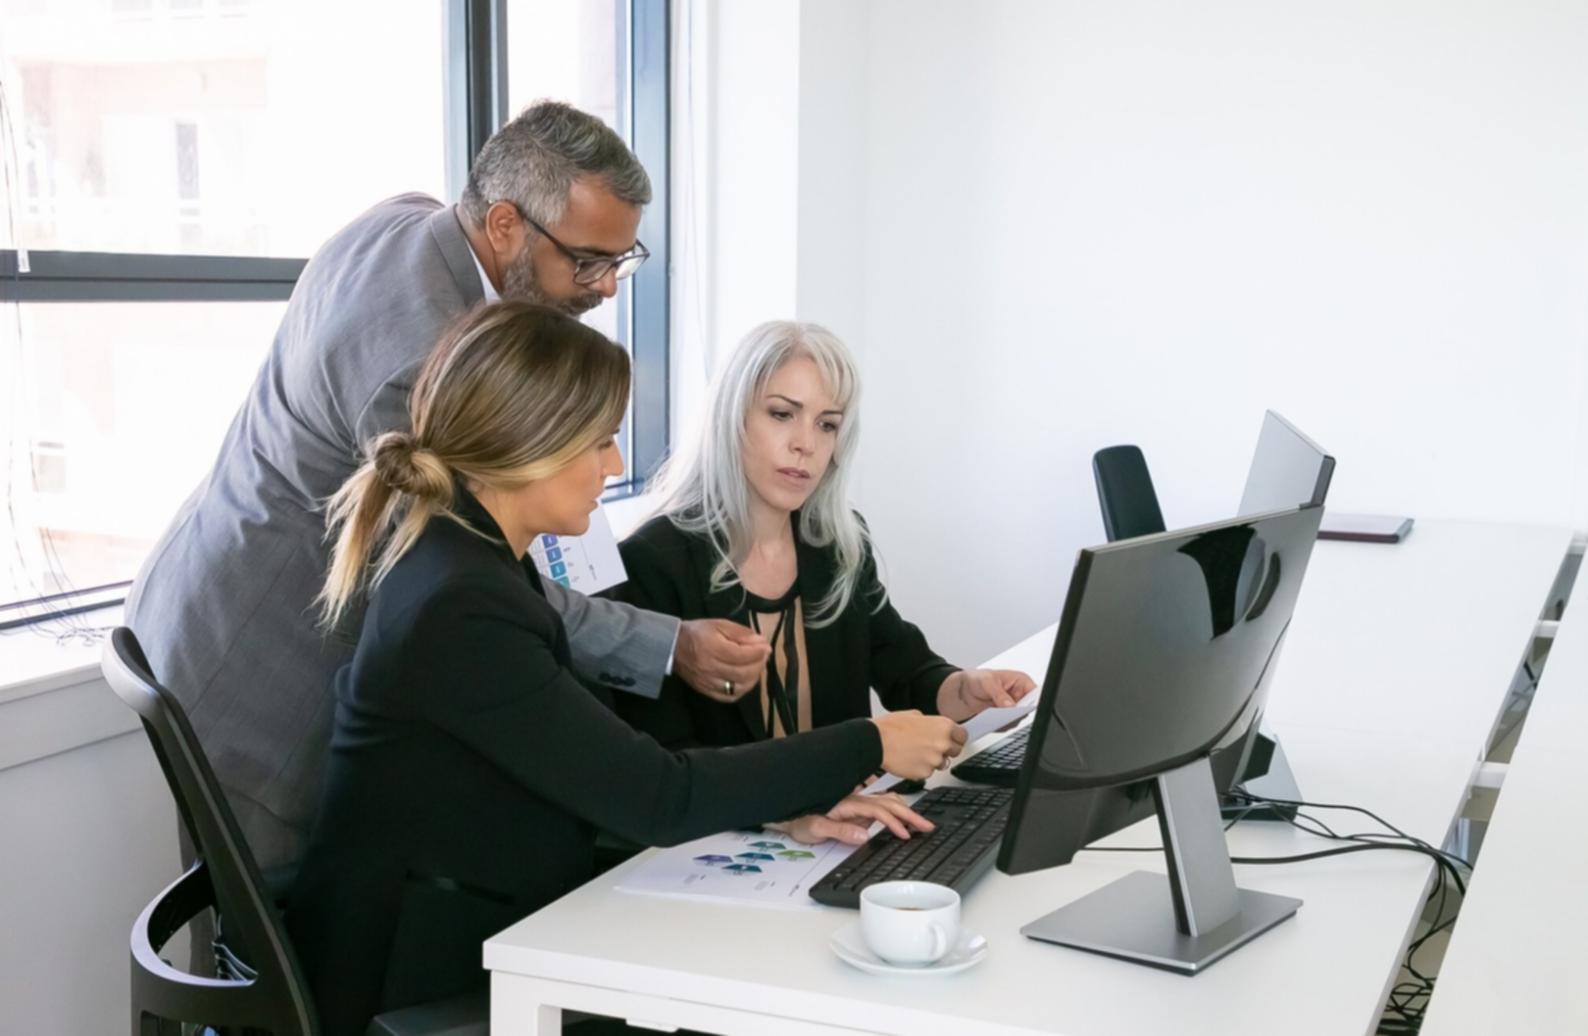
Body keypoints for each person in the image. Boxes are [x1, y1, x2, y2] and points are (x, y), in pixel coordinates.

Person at [285, 301, 965, 1034]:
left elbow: (614, 778)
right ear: (530, 443)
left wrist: (785, 809)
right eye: (601, 443)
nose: (613, 466)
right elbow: (658, 796)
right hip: (413, 969)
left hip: (469, 909)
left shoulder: (468, 559)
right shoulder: (463, 604)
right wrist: (871, 742)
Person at [124, 101, 766, 871]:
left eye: (621, 262)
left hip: (211, 590)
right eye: (588, 261)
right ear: (503, 226)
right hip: (257, 667)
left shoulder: (414, 222)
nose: (605, 290)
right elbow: (471, 575)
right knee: (267, 957)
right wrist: (667, 646)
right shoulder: (415, 367)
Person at [611, 321, 1035, 792]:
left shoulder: (838, 544)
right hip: (730, 844)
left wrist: (964, 688)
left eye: (826, 424)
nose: (806, 445)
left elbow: (905, 668)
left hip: (850, 831)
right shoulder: (650, 563)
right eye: (781, 414)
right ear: (731, 418)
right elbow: (669, 762)